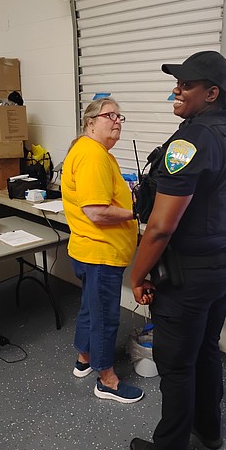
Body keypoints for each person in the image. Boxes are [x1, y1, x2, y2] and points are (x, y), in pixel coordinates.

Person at [129, 51, 226, 450]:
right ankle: (210, 430)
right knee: (206, 350)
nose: (176, 90)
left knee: (177, 364)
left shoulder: (191, 141)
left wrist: (137, 274)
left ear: (212, 92)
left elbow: (161, 228)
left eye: (186, 85)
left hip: (190, 274)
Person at [61, 97, 144, 404]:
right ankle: (106, 380)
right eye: (110, 115)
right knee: (106, 318)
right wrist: (137, 212)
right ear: (90, 121)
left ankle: (84, 359)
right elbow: (96, 212)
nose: (118, 121)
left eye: (121, 116)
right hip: (100, 255)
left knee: (89, 309)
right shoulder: (93, 155)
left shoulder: (97, 152)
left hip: (91, 251)